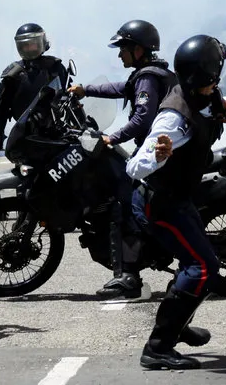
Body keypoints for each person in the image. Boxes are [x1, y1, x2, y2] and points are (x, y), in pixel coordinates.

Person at [126, 34, 226, 369]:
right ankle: (158, 348)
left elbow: (212, 108)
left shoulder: (199, 92)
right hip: (159, 203)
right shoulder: (173, 120)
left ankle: (177, 324)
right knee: (202, 266)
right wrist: (158, 156)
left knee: (202, 260)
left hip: (179, 197)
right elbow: (135, 167)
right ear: (205, 76)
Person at [67, 20, 178, 299]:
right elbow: (120, 88)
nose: (120, 55)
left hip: (158, 155)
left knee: (124, 204)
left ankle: (129, 277)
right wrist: (86, 90)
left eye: (124, 49)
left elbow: (143, 118)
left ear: (138, 49)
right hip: (160, 152)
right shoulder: (148, 75)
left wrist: (111, 138)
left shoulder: (148, 77)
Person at [0, 23, 68, 160]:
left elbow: (68, 97)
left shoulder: (55, 67)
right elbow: (1, 111)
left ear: (41, 42)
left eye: (32, 44)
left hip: (56, 130)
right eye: (24, 45)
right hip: (25, 135)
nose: (28, 48)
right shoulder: (13, 75)